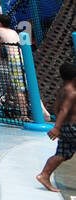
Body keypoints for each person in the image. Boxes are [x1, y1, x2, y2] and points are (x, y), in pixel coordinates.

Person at [37, 63, 76, 192]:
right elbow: (64, 110)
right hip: (72, 127)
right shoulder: (72, 92)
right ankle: (44, 175)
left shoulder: (63, 89)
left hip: (66, 127)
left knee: (62, 154)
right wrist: (56, 128)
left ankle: (44, 175)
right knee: (63, 153)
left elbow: (56, 107)